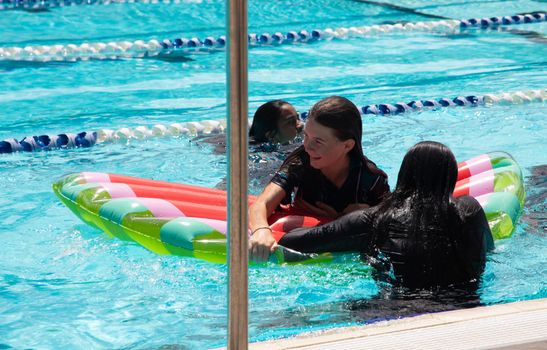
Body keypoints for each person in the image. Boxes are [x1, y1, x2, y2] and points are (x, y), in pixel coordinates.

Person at [281, 141, 495, 289]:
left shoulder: (375, 218)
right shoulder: (469, 209)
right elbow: (489, 249)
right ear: (450, 178)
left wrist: (337, 218)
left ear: (404, 175)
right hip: (466, 302)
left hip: (396, 308)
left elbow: (295, 241)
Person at [249, 96, 390, 262]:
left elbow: (392, 227)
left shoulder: (370, 180)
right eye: (306, 136)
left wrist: (361, 217)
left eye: (318, 141)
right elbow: (261, 204)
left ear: (347, 146)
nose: (308, 147)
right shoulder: (301, 162)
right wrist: (261, 231)